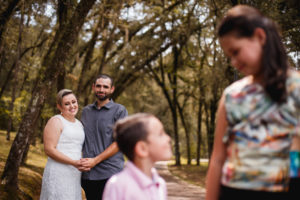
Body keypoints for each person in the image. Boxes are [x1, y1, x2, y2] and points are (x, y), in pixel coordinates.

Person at [205, 5, 300, 200]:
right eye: (229, 56)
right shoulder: (232, 95)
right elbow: (217, 159)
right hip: (235, 191)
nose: (233, 62)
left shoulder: (296, 88)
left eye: (236, 52)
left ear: (260, 36)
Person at [80, 74, 128, 200]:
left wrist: (95, 161)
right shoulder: (86, 111)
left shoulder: (120, 110)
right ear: (93, 87)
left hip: (110, 172)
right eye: (99, 86)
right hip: (88, 174)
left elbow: (119, 143)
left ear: (112, 89)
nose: (101, 90)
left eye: (105, 87)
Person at [102, 113, 172, 200]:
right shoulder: (118, 185)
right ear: (142, 148)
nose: (168, 138)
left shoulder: (160, 184)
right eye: (160, 134)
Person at [40, 89, 86, 200]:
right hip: (59, 171)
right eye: (67, 104)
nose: (72, 106)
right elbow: (49, 149)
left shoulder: (79, 124)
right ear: (59, 107)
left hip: (74, 173)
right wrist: (73, 162)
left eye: (74, 102)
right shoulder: (56, 121)